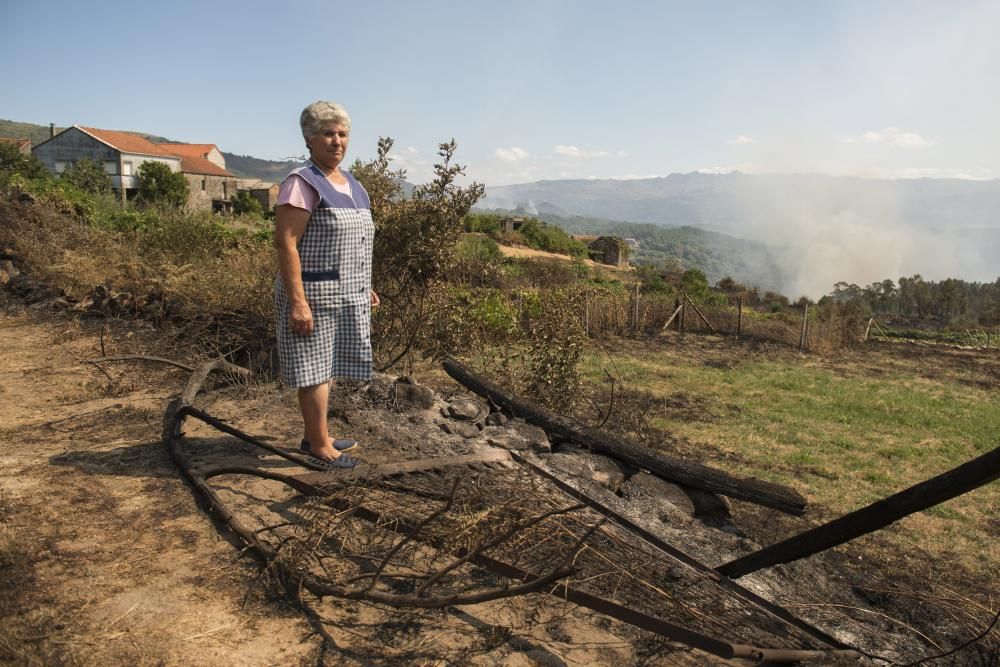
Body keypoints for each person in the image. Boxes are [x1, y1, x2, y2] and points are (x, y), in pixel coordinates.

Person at [273, 101, 379, 469]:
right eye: (328, 133)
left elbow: (355, 244)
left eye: (343, 133)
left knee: (326, 367)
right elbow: (286, 242)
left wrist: (363, 285)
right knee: (314, 371)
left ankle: (317, 434)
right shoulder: (302, 183)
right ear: (309, 138)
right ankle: (319, 447)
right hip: (313, 296)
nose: (337, 141)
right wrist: (297, 302)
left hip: (345, 294)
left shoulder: (352, 184)